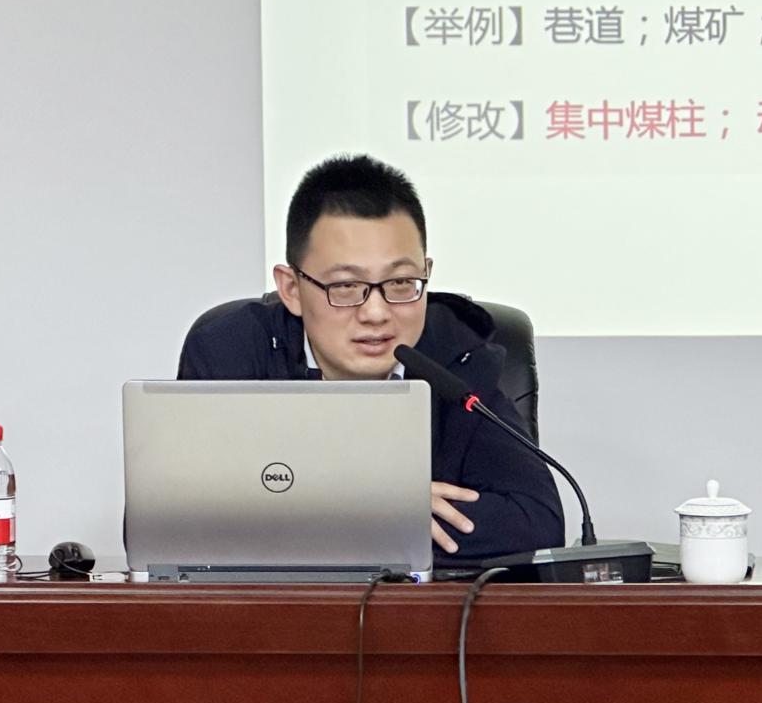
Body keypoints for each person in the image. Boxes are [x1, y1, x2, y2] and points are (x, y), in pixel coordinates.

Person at [178, 154, 564, 565]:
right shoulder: (231, 352)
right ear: (291, 289)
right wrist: (376, 509)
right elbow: (179, 520)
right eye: (346, 286)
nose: (376, 313)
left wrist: (313, 520)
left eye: (400, 282)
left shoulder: (457, 359)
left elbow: (536, 521)